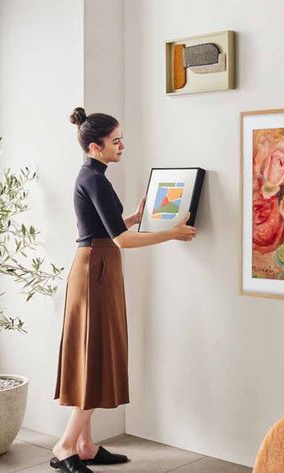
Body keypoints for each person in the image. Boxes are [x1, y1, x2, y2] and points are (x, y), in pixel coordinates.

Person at [50, 108, 197, 473]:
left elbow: (108, 226)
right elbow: (121, 240)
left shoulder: (95, 176)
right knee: (95, 357)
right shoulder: (94, 179)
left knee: (97, 356)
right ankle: (66, 445)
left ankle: (84, 443)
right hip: (95, 269)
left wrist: (134, 216)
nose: (122, 146)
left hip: (98, 267)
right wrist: (171, 233)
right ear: (95, 146)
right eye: (115, 141)